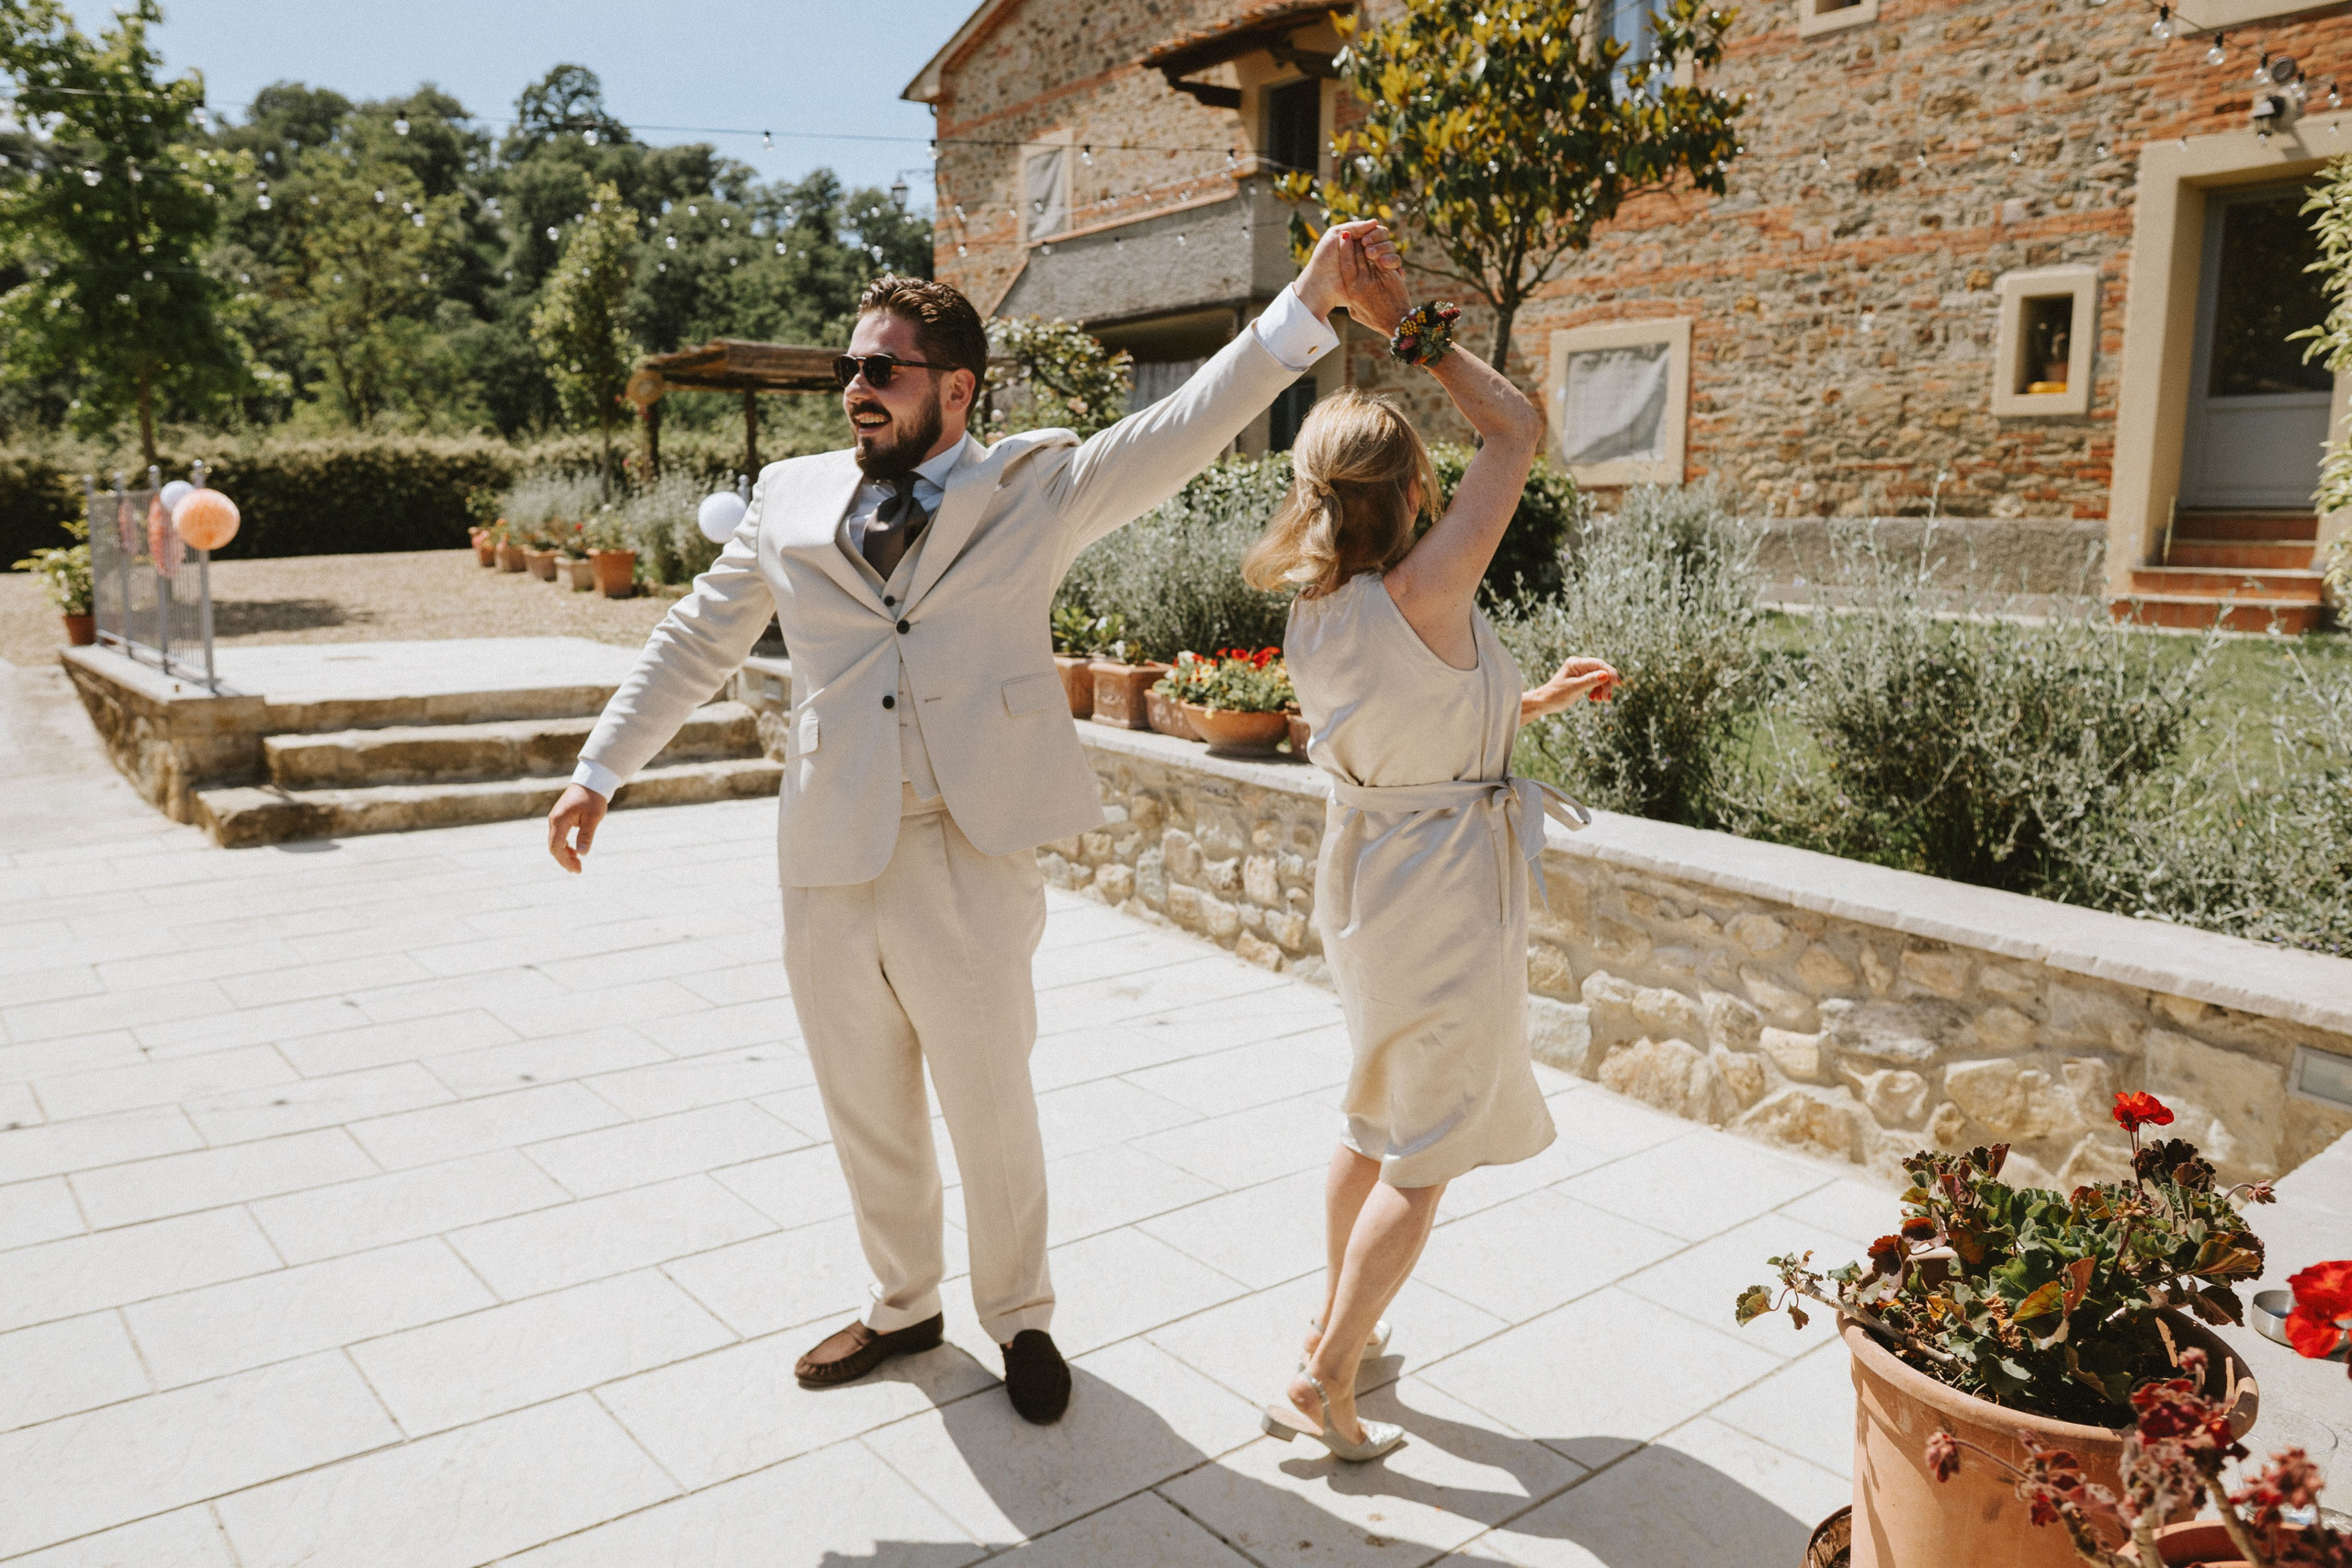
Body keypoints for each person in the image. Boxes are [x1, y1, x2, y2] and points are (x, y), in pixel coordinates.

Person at [543, 222, 1404, 1426]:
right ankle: (903, 1306)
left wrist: (1307, 308)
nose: (856, 390)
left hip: (962, 843)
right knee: (864, 1100)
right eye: (851, 367)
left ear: (956, 387)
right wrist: (602, 768)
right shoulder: (790, 495)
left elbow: (1183, 428)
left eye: (881, 370)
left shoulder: (1032, 486)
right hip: (828, 850)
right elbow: (698, 634)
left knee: (989, 1098)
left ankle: (1023, 1316)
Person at [1239, 253, 1618, 1461]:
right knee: (1427, 1148)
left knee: (1376, 1114)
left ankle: (1332, 1318)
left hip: (1369, 878)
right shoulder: (1429, 585)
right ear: (1410, 489)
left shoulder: (1316, 607)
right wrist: (1409, 324)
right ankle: (1326, 1372)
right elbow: (1517, 427)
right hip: (1443, 893)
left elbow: (1409, 737)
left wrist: (1533, 702)